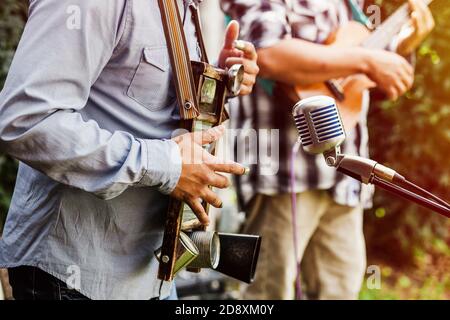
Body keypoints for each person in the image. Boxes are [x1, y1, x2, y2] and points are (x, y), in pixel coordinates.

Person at [0, 0, 258, 300]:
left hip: (151, 276)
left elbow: (142, 100)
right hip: (74, 280)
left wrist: (221, 82)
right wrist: (168, 166)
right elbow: (25, 121)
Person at [221, 0, 434, 300]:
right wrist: (365, 60)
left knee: (340, 292)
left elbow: (358, 79)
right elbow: (268, 54)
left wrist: (402, 45)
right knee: (267, 293)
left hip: (347, 173)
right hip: (284, 171)